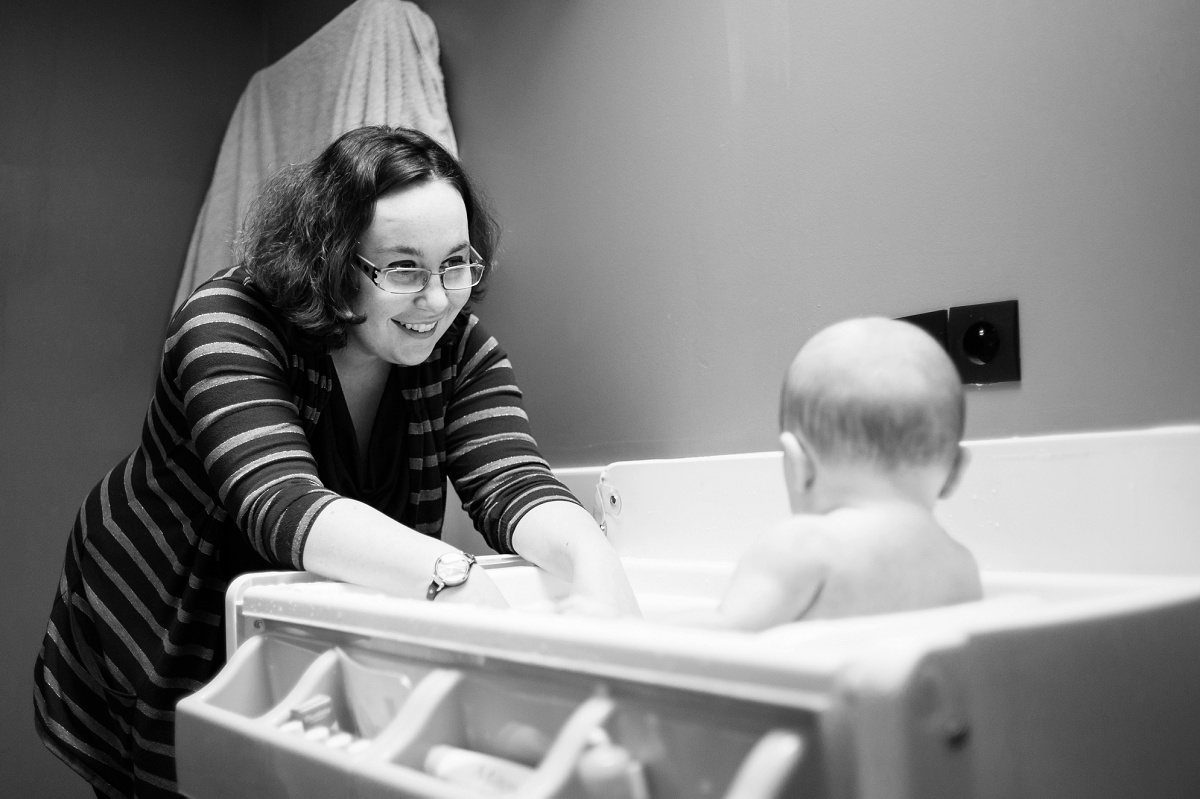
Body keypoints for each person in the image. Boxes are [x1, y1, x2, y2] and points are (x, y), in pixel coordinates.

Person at [33, 125, 640, 798]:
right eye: (403, 267)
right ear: (331, 259)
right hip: (159, 599)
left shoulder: (458, 349)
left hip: (275, 604)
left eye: (456, 263)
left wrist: (599, 579)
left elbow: (514, 480)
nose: (436, 299)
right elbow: (283, 502)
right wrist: (462, 585)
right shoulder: (225, 322)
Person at [675, 316, 982, 632]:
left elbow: (716, 645)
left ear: (800, 464)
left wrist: (646, 627)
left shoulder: (801, 548)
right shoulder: (961, 566)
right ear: (955, 471)